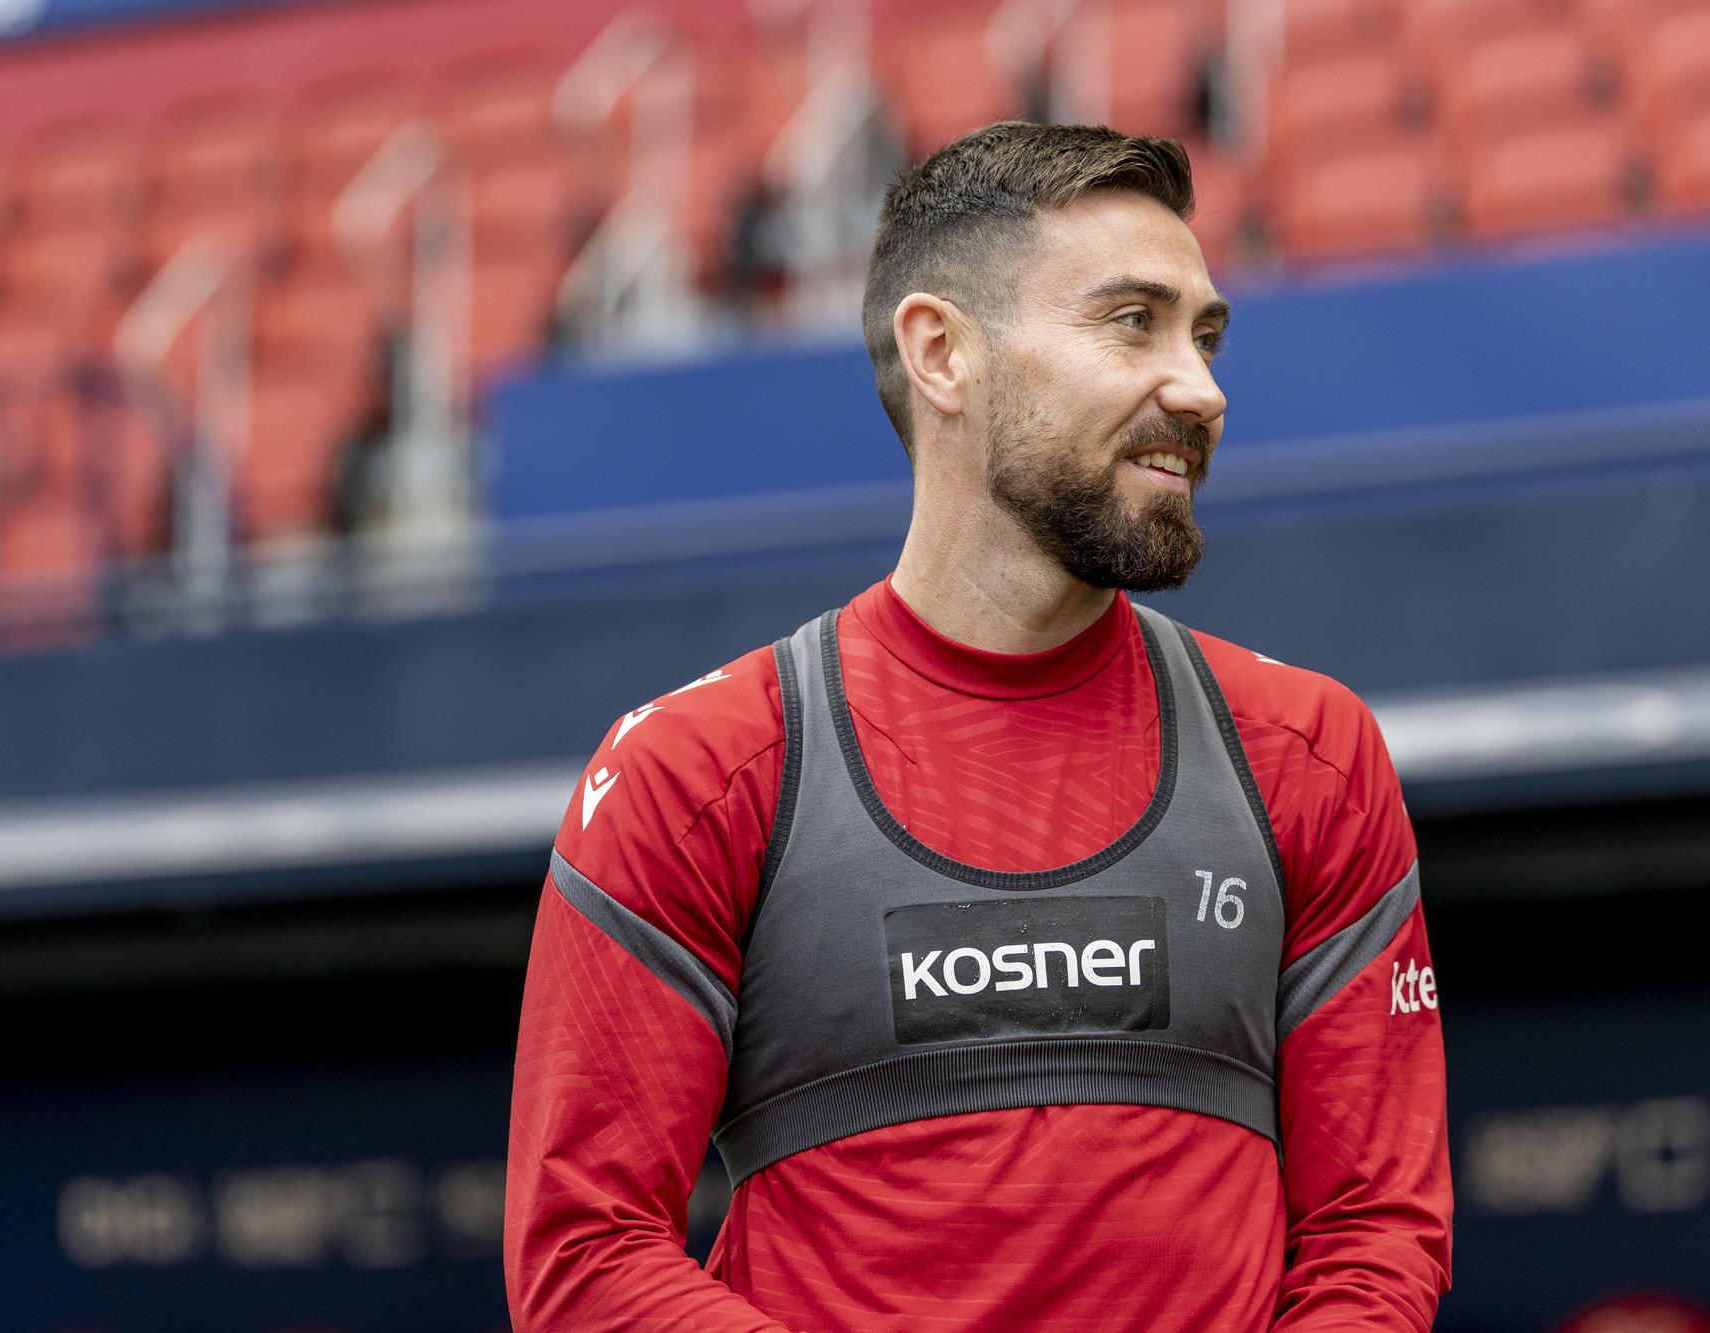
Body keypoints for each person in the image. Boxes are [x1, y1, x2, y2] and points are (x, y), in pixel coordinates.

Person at [504, 122, 1453, 1331]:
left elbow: (1375, 1230)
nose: (1201, 389)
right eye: (1131, 322)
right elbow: (585, 1256)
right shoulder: (695, 773)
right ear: (942, 352)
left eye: (1205, 335)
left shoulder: (1309, 750)